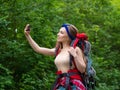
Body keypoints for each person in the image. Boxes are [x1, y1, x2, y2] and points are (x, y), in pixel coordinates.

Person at [24, 24, 86, 90]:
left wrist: (75, 56)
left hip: (74, 85)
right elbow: (38, 49)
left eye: (61, 33)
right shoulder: (58, 51)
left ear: (68, 36)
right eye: (59, 32)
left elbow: (82, 69)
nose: (58, 34)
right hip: (61, 84)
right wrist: (28, 35)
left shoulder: (75, 49)